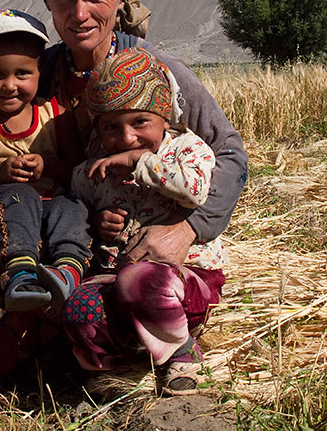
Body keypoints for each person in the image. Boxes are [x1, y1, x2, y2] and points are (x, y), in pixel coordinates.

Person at [0, 0, 248, 377]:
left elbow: (230, 155)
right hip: (58, 220)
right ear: (47, 1)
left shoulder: (160, 73)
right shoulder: (32, 73)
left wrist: (185, 230)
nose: (79, 13)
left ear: (121, 0)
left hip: (137, 239)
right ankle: (8, 355)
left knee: (134, 289)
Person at [63, 47, 225, 395]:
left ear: (165, 118)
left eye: (140, 123)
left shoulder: (186, 151)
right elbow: (75, 211)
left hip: (183, 280)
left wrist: (141, 161)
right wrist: (97, 221)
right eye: (111, 127)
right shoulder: (95, 170)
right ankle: (114, 372)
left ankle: (181, 355)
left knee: (141, 282)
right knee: (79, 305)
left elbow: (194, 190)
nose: (126, 138)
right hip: (114, 276)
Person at [0, 9, 89, 312]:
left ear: (40, 70)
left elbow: (79, 173)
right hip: (3, 205)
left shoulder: (56, 117)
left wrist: (47, 167)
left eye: (22, 74)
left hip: (53, 203)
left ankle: (67, 271)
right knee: (20, 193)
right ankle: (21, 273)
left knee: (71, 205)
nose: (10, 85)